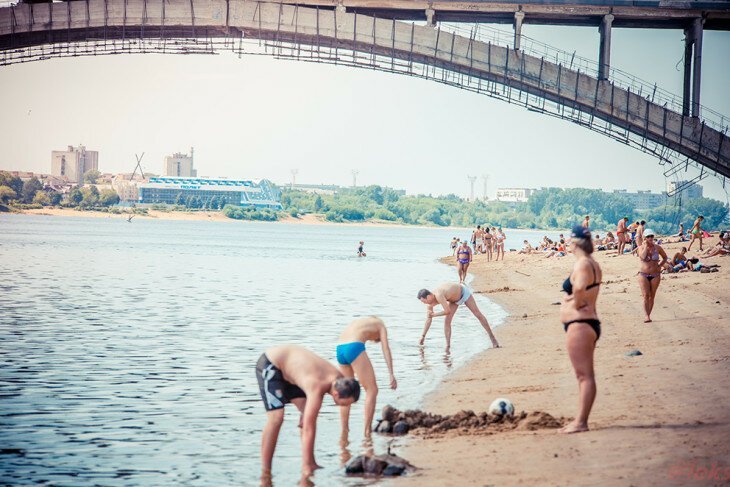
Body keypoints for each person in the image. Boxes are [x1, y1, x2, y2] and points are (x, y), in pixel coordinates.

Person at [256, 345, 360, 479]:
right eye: (345, 404)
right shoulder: (317, 387)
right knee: (277, 418)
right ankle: (265, 473)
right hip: (271, 364)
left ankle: (310, 462)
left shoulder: (341, 380)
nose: (345, 407)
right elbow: (309, 427)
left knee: (307, 414)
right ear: (335, 394)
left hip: (291, 373)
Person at [559, 226, 602, 434]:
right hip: (586, 324)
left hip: (581, 324)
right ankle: (580, 420)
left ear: (575, 242)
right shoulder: (591, 263)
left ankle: (581, 422)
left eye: (569, 240)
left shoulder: (584, 263)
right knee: (585, 376)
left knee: (584, 376)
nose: (567, 244)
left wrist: (574, 303)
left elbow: (579, 288)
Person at [336, 317, 397, 440]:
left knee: (346, 392)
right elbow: (386, 348)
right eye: (376, 340)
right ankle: (367, 432)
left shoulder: (363, 321)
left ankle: (344, 431)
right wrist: (391, 373)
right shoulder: (381, 325)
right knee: (372, 390)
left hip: (339, 349)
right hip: (353, 347)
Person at [417, 283, 500, 351]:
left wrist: (434, 315)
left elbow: (447, 311)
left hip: (463, 293)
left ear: (428, 296)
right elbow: (428, 319)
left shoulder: (438, 295)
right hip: (453, 300)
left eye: (424, 301)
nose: (425, 304)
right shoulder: (429, 304)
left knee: (477, 314)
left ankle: (492, 338)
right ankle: (448, 347)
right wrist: (423, 336)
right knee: (447, 321)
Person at [636, 229, 668, 323]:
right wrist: (645, 246)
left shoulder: (658, 247)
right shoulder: (640, 248)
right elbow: (642, 256)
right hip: (643, 274)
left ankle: (648, 314)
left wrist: (660, 265)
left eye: (652, 236)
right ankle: (646, 316)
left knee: (652, 296)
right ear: (645, 238)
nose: (650, 238)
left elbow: (665, 257)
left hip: (655, 274)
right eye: (648, 237)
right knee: (645, 295)